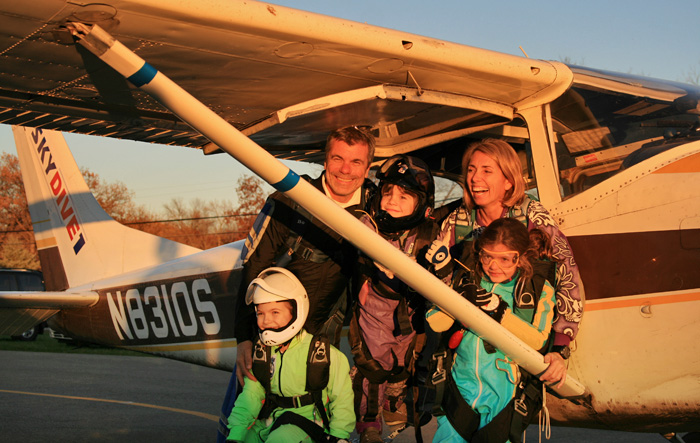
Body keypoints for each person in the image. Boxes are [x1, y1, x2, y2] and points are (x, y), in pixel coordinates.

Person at [234, 125, 376, 385]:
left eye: (356, 162)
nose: (346, 170)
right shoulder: (290, 200)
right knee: (249, 415)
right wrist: (243, 337)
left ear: (367, 169)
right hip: (272, 331)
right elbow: (254, 269)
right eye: (338, 159)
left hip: (326, 335)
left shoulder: (376, 211)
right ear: (325, 161)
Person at [437, 138, 583, 384]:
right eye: (471, 170)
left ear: (508, 181)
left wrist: (560, 348)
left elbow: (567, 277)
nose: (474, 178)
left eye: (486, 171)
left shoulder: (532, 215)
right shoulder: (457, 222)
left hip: (523, 343)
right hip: (470, 352)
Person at [428, 218, 558, 443]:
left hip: (504, 391)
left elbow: (537, 340)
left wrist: (500, 312)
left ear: (522, 257)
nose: (493, 266)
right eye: (487, 256)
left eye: (505, 259)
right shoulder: (469, 277)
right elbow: (436, 323)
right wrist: (451, 288)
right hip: (460, 384)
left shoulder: (537, 289)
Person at [348, 154, 446, 443]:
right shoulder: (366, 227)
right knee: (371, 366)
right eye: (387, 192)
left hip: (409, 327)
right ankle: (369, 422)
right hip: (373, 322)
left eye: (404, 196)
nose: (392, 200)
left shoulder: (430, 235)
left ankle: (398, 402)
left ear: (422, 206)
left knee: (404, 364)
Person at [226, 267, 354, 443]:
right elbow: (251, 396)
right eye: (260, 313)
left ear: (296, 311)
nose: (266, 320)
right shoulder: (262, 353)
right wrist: (235, 434)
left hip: (309, 425)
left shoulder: (324, 355)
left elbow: (342, 400)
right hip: (271, 421)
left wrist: (339, 437)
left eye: (275, 312)